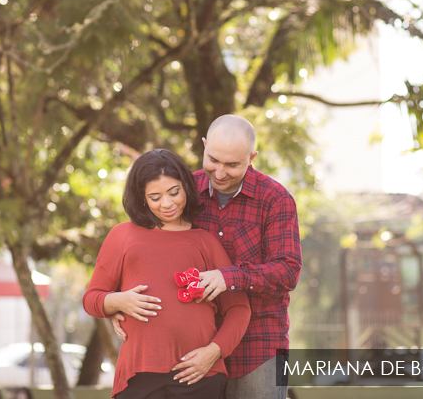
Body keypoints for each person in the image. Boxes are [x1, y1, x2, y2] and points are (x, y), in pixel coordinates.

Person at [113, 115, 302, 399]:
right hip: (193, 353)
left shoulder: (275, 199)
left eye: (233, 164)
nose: (221, 172)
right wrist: (117, 302)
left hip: (258, 346)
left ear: (252, 157)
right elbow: (146, 251)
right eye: (213, 160)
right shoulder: (182, 192)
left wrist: (228, 277)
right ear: (204, 146)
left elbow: (288, 271)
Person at [83, 148, 251, 398]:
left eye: (174, 192)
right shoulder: (122, 236)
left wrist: (214, 352)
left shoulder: (205, 242)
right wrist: (118, 301)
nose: (167, 204)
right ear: (142, 198)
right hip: (138, 375)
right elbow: (91, 299)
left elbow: (239, 308)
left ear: (186, 187)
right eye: (155, 196)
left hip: (199, 373)